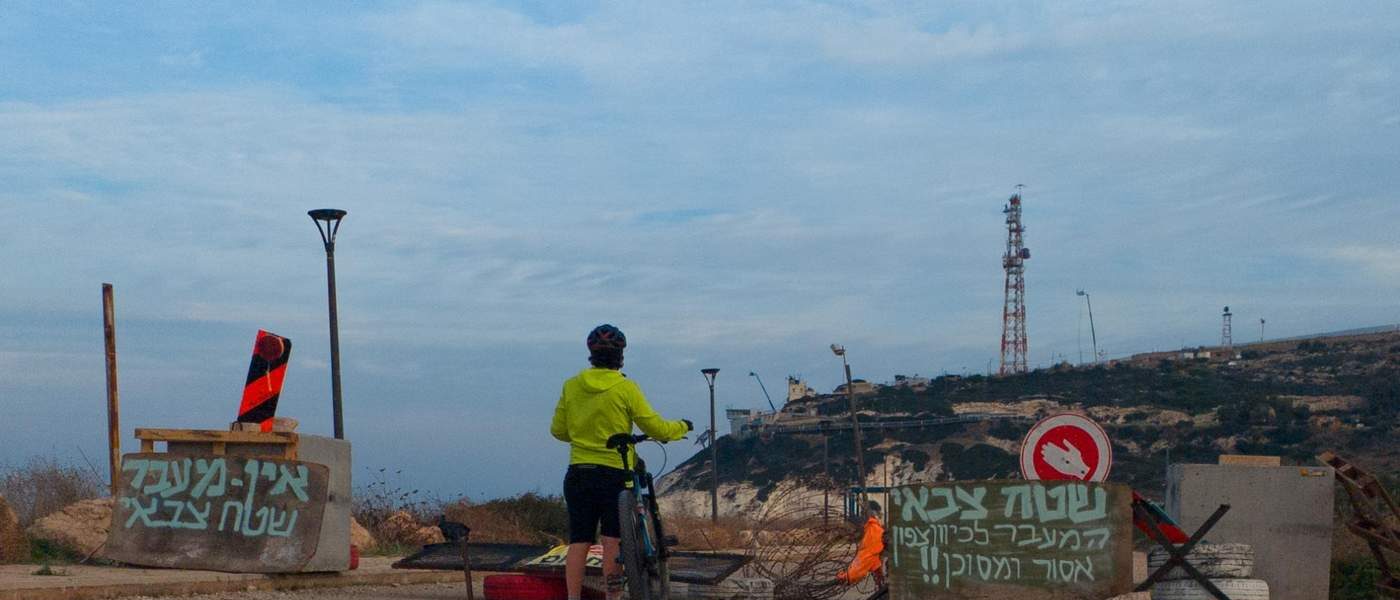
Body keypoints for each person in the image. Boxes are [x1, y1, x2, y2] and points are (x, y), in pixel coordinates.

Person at [551, 324, 692, 600]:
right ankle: (613, 597)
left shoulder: (571, 385)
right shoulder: (626, 387)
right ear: (620, 356)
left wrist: (582, 436)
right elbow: (657, 428)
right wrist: (682, 427)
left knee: (579, 541)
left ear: (591, 354)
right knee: (612, 541)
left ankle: (572, 597)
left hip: (578, 473)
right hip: (613, 473)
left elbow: (558, 430)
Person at [836, 500, 886, 585]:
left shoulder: (873, 531)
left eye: (864, 512)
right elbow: (873, 560)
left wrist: (847, 576)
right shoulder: (873, 529)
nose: (862, 514)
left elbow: (864, 559)